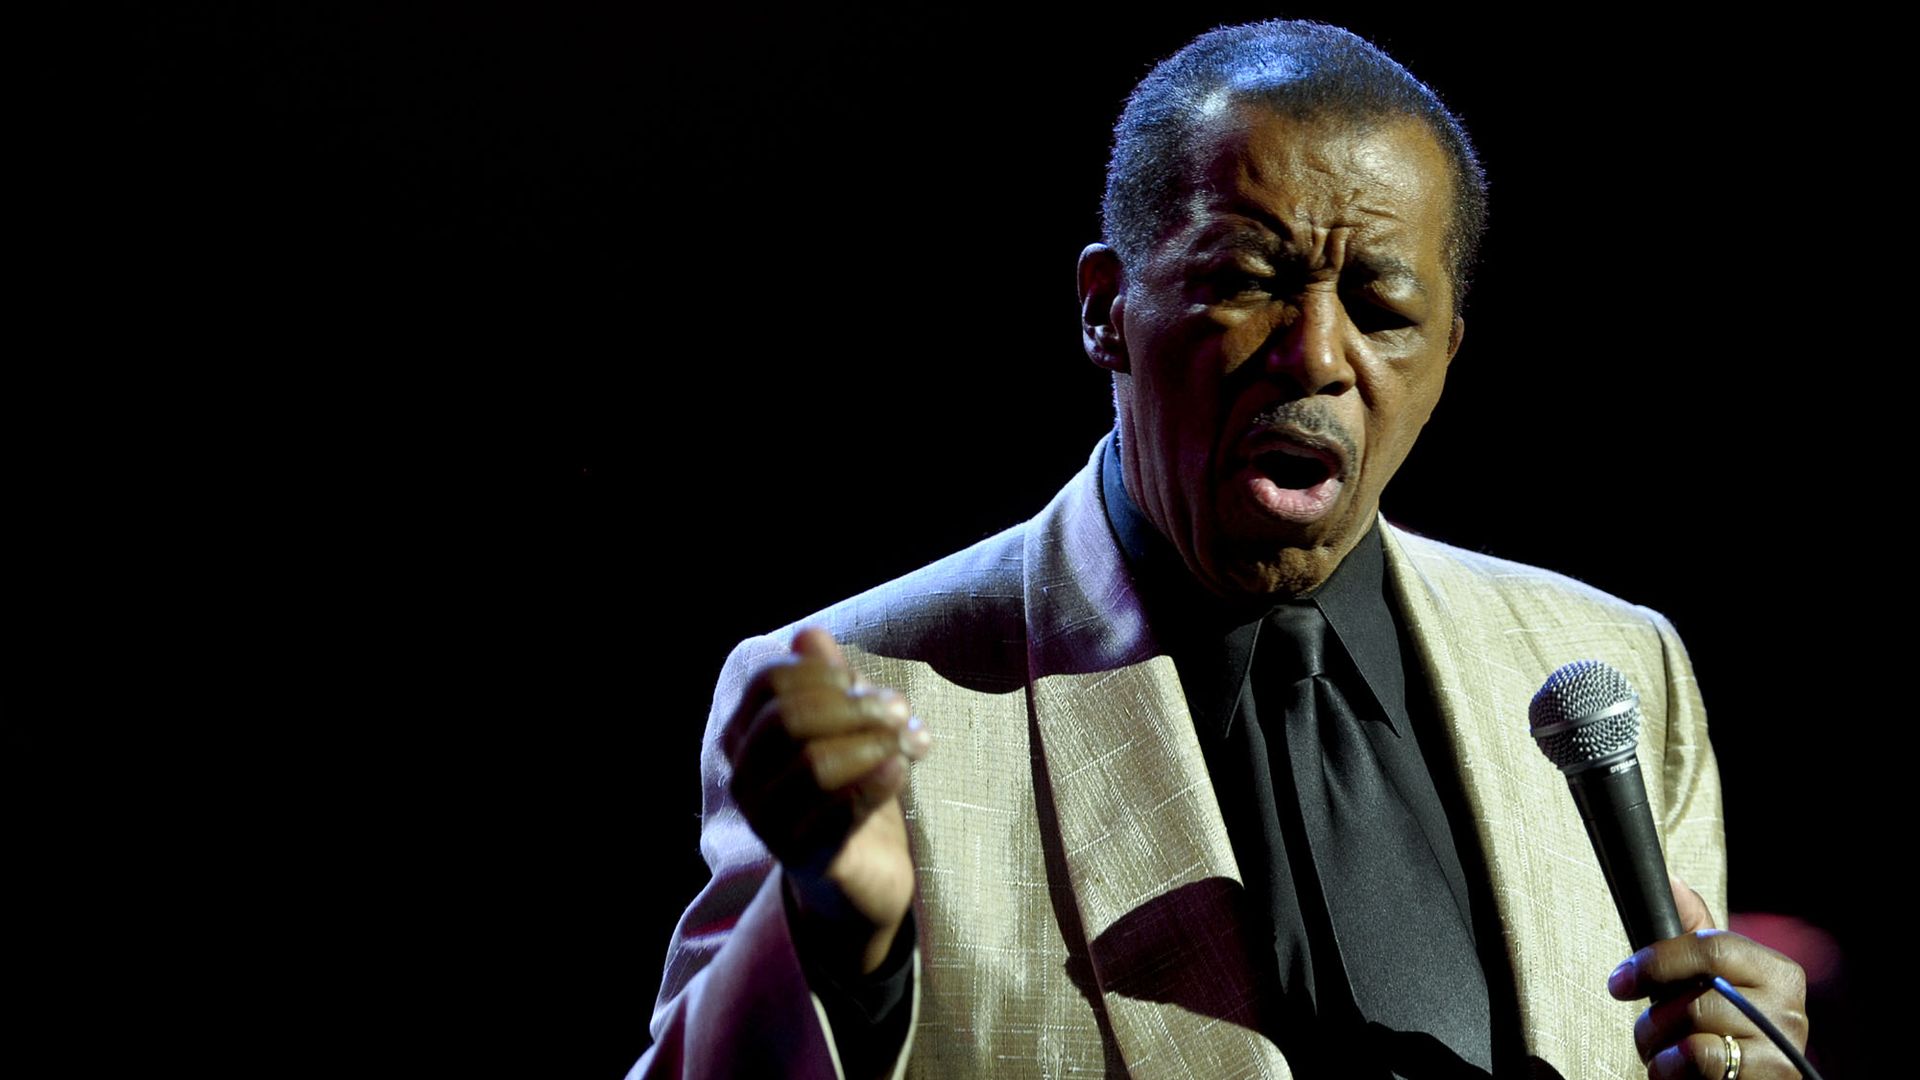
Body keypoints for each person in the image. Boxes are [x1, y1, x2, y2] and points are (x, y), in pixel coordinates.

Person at [633, 20, 1808, 1080]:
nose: (1318, 356)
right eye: (1247, 283)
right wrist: (836, 945)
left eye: (1383, 311)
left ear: (1449, 348)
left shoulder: (1613, 666)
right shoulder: (870, 689)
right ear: (1105, 309)